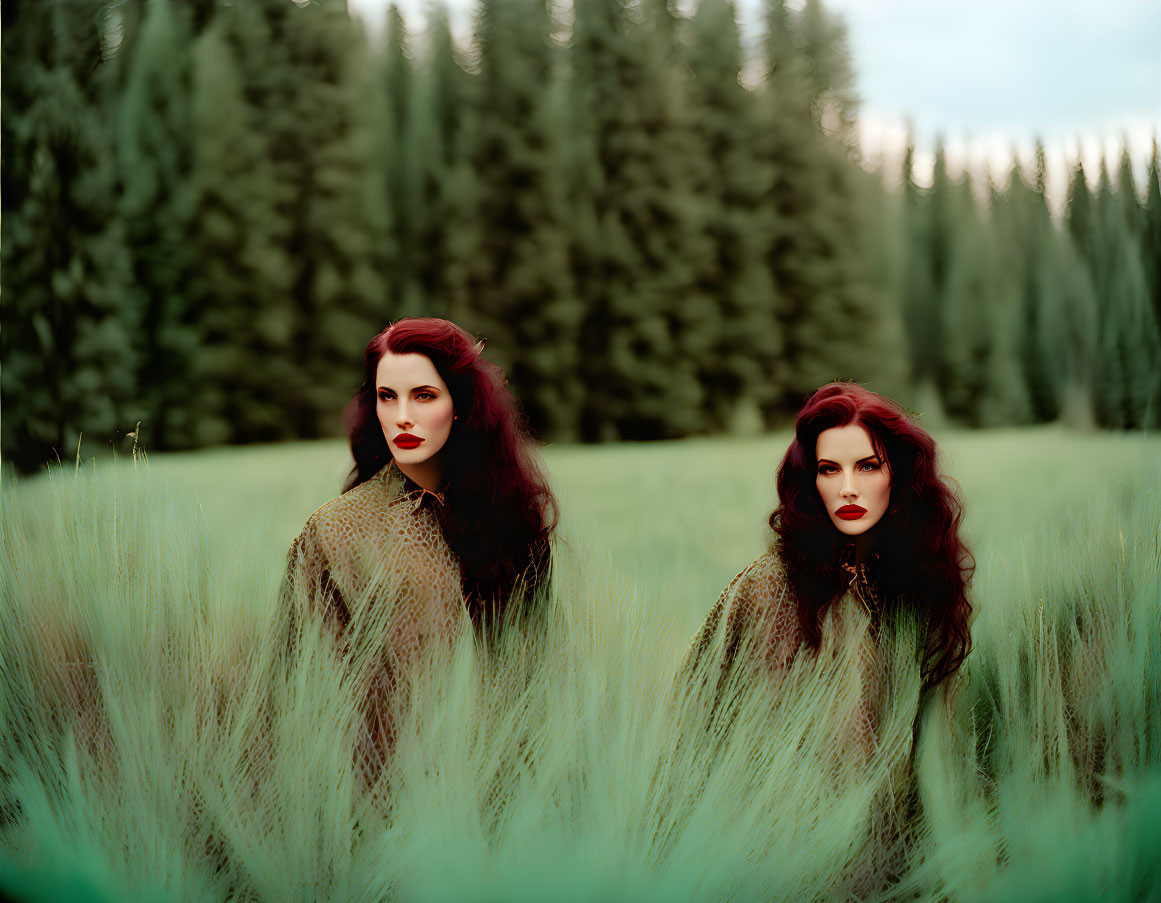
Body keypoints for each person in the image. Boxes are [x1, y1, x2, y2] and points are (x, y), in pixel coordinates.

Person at [678, 381, 973, 889]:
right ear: (808, 481)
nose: (848, 489)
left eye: (868, 466)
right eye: (828, 469)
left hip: (893, 868)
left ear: (900, 477)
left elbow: (933, 760)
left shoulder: (908, 589)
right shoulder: (772, 591)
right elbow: (758, 769)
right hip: (787, 870)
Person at [281, 317, 557, 781]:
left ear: (460, 406)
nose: (402, 415)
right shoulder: (335, 532)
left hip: (508, 799)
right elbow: (296, 689)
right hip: (375, 800)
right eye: (387, 397)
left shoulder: (516, 522)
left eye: (424, 395)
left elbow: (542, 677)